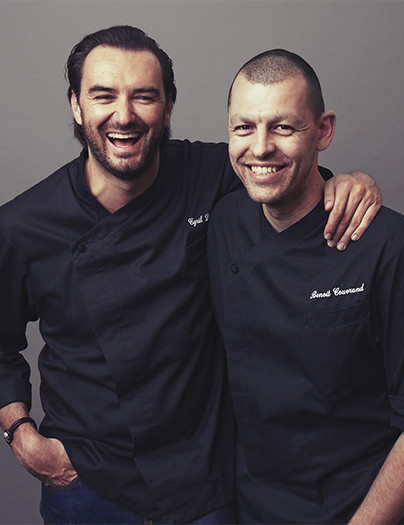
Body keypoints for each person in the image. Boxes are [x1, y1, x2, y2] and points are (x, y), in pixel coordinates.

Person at [0, 26, 381, 523]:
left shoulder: (213, 173)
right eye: (103, 96)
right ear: (76, 105)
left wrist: (349, 179)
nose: (124, 114)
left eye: (144, 96)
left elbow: (284, 175)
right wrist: (21, 434)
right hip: (87, 480)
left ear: (168, 107)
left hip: (203, 478)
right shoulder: (23, 224)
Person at [207, 49, 404, 523]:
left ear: (323, 130)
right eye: (243, 127)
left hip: (355, 511)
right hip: (253, 509)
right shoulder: (222, 220)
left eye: (283, 127)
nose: (259, 148)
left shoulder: (398, 250)